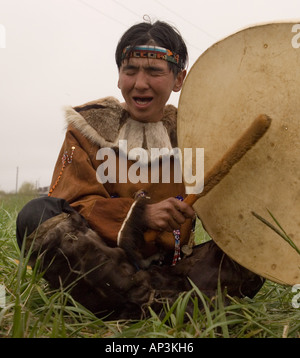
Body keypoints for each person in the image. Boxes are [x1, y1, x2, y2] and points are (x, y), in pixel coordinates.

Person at [16, 20, 264, 320]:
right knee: (36, 215)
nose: (140, 83)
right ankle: (163, 305)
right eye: (130, 70)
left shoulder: (198, 132)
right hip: (101, 267)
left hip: (173, 271)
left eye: (154, 71)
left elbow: (231, 205)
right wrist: (141, 215)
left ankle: (131, 304)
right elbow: (72, 206)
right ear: (119, 77)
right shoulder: (88, 129)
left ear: (178, 79)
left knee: (258, 246)